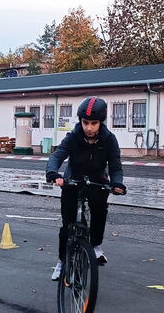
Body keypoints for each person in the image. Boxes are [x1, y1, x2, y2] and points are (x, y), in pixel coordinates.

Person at [45, 96, 126, 281]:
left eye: (94, 123)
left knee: (99, 210)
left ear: (101, 123)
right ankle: (61, 262)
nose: (89, 127)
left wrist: (117, 183)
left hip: (97, 181)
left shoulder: (109, 139)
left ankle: (95, 246)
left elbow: (115, 166)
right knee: (67, 225)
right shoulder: (73, 137)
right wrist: (53, 173)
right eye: (85, 122)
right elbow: (57, 156)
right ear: (80, 121)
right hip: (73, 181)